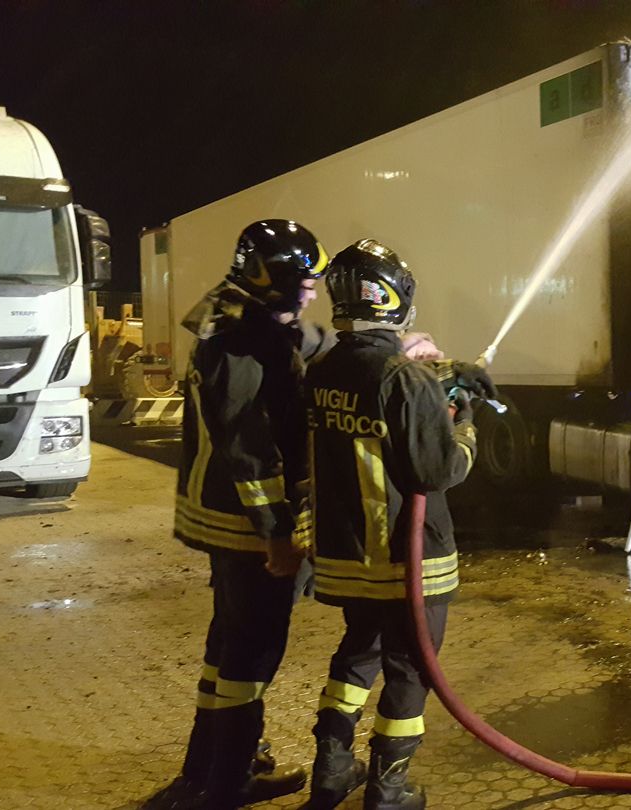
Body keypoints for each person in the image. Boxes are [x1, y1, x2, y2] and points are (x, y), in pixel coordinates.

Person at [301, 239, 494, 810]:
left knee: (358, 652)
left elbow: (380, 402)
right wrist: (463, 424)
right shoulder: (402, 380)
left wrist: (442, 379)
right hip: (410, 560)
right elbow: (438, 470)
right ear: (394, 298)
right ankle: (389, 790)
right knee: (411, 667)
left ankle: (332, 767)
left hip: (346, 555)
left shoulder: (321, 369)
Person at [147, 220, 328, 809]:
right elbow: (250, 448)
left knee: (226, 646)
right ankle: (228, 785)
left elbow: (303, 341)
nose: (312, 292)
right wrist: (278, 534)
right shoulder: (246, 341)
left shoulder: (236, 317)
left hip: (218, 518)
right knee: (251, 654)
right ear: (267, 277)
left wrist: (395, 345)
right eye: (303, 281)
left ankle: (206, 770)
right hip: (244, 525)